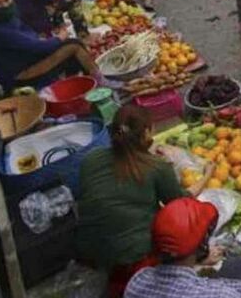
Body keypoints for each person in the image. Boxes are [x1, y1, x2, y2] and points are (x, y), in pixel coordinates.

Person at [77, 105, 210, 297]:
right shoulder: (156, 167)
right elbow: (182, 202)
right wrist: (207, 175)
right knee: (184, 222)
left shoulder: (91, 158)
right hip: (134, 258)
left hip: (91, 251)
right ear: (146, 132)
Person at [124, 197, 241, 298]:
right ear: (200, 245)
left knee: (237, 266)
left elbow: (205, 285)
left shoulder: (138, 281)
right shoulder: (221, 295)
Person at [0, 0, 99, 90]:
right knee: (74, 46)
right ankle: (100, 82)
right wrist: (59, 38)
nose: (5, 5)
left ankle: (76, 86)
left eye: (7, 0)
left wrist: (47, 39)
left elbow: (28, 37)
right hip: (21, 76)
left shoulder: (5, 19)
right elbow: (38, 47)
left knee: (69, 51)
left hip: (27, 61)